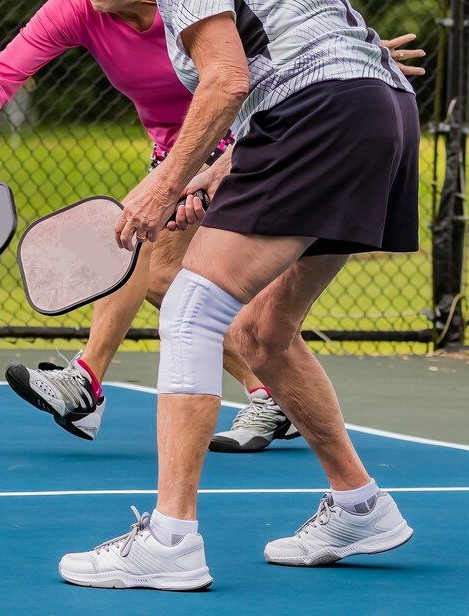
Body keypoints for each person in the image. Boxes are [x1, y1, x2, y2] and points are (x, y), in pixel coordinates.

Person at [0, 0, 423, 452]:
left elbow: (270, 40)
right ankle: (266, 390)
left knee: (157, 265)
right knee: (163, 279)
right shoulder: (77, 11)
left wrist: (353, 57)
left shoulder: (190, 4)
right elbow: (5, 70)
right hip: (175, 154)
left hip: (249, 135)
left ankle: (89, 384)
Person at [58, 0, 419, 590]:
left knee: (190, 309)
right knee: (262, 334)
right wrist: (219, 170)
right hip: (378, 110)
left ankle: (170, 542)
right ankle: (361, 508)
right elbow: (296, 57)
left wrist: (163, 184)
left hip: (319, 113)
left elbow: (229, 78)